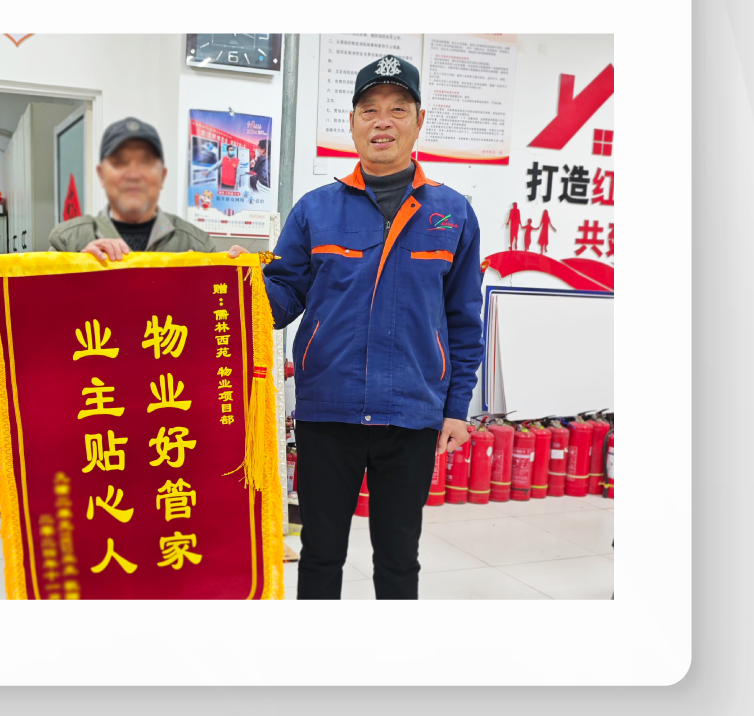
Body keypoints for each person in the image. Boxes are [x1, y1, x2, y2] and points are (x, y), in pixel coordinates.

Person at [242, 55, 484, 599]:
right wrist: (241, 284)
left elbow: (463, 319)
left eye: (398, 109)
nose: (383, 122)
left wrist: (456, 407)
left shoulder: (452, 213)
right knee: (320, 552)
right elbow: (282, 298)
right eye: (370, 110)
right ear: (352, 123)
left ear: (419, 122)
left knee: (398, 558)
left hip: (412, 413)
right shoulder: (316, 210)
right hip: (329, 410)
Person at [49, 117, 217, 259]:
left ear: (163, 176)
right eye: (119, 162)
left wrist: (232, 275)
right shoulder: (67, 242)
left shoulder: (199, 246)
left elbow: (221, 288)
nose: (133, 175)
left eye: (146, 162)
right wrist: (78, 270)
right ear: (101, 175)